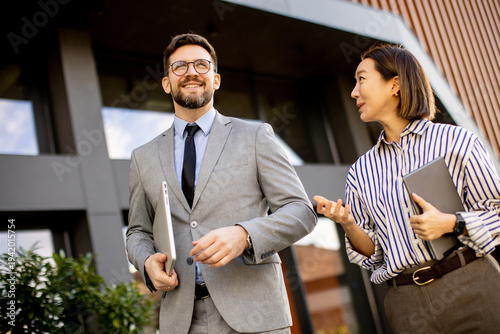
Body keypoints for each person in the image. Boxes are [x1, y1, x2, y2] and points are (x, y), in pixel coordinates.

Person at [126, 33, 317, 334]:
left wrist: (245, 235)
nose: (191, 72)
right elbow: (138, 230)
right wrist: (147, 261)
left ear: (216, 79)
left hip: (255, 314)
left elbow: (301, 211)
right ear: (166, 83)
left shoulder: (255, 137)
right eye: (180, 67)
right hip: (182, 320)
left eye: (201, 65)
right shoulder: (142, 157)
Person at [314, 44, 500, 333]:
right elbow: (373, 251)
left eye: (361, 79)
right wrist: (349, 224)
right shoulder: (360, 172)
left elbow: (497, 214)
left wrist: (451, 222)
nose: (353, 92)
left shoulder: (457, 142)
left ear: (395, 84)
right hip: (406, 304)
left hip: (471, 286)